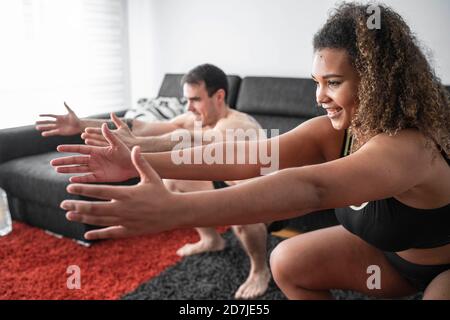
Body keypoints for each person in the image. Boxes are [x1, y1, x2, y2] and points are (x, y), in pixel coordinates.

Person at [50, 3, 450, 300]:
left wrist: (172, 210)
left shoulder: (410, 148)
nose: (319, 96)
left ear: (377, 83)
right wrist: (135, 162)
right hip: (386, 256)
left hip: (440, 271)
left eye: (333, 82)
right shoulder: (340, 130)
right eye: (316, 81)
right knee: (288, 262)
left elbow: (312, 188)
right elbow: (254, 155)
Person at [37, 64, 271, 300]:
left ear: (219, 96)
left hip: (268, 199)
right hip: (225, 184)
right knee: (174, 177)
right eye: (186, 100)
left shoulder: (238, 125)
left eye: (195, 100)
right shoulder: (194, 118)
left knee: (240, 212)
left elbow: (189, 141)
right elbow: (140, 126)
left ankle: (260, 270)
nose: (189, 107)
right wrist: (81, 124)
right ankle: (211, 240)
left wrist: (134, 147)